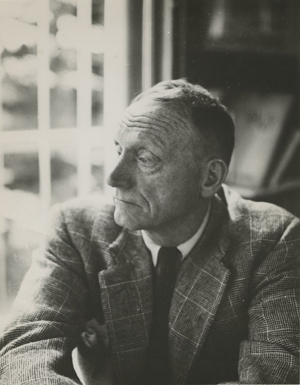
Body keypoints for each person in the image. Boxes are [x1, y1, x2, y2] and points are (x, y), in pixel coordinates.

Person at [0, 79, 299, 385]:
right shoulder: (76, 228)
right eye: (118, 150)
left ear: (210, 177)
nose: (114, 178)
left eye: (145, 159)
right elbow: (24, 350)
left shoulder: (274, 240)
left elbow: (275, 376)